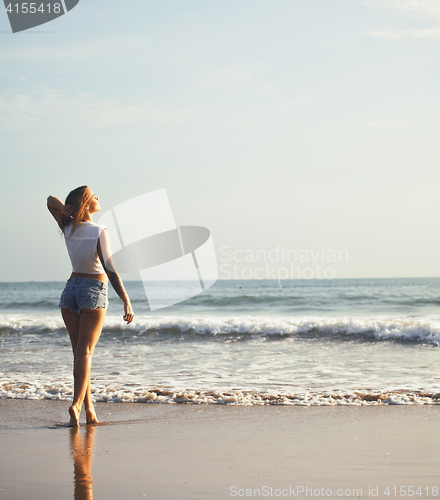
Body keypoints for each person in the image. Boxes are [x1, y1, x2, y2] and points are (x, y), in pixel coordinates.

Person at [47, 186, 134, 427]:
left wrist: (71, 211)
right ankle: (76, 405)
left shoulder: (68, 228)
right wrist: (126, 299)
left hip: (70, 291)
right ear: (86, 205)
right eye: (93, 196)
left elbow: (49, 201)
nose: (98, 197)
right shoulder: (99, 230)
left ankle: (89, 409)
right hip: (92, 291)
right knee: (84, 354)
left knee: (79, 355)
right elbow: (110, 269)